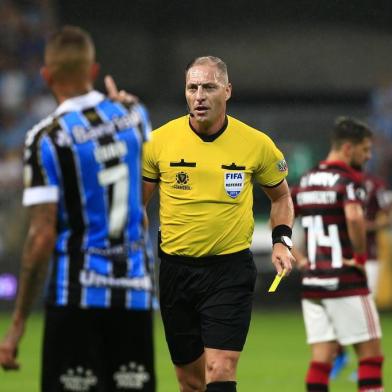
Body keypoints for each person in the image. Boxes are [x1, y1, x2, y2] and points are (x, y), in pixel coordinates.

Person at [0, 26, 156, 392]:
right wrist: (123, 106)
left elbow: (41, 235)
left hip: (77, 294)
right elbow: (140, 192)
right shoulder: (135, 117)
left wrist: (18, 322)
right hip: (134, 290)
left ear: (46, 75)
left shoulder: (47, 139)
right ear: (93, 69)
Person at [142, 56, 295, 392]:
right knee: (190, 380)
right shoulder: (157, 142)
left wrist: (282, 240)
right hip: (175, 271)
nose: (199, 95)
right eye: (192, 87)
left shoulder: (256, 144)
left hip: (229, 270)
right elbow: (138, 205)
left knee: (220, 367)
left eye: (209, 87)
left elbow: (281, 198)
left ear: (227, 91)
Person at [291, 117, 384, 392]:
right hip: (345, 281)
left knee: (321, 361)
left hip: (313, 282)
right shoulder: (348, 180)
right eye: (365, 150)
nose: (367, 157)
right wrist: (359, 257)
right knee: (371, 357)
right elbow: (354, 217)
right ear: (347, 148)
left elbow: (280, 219)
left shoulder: (306, 180)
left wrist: (300, 258)